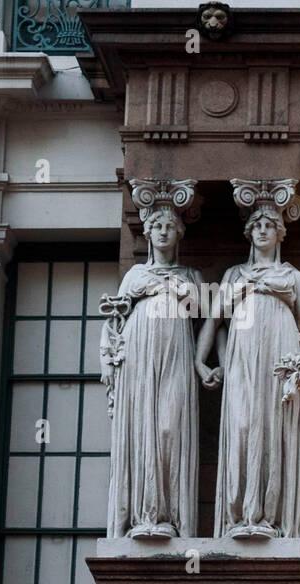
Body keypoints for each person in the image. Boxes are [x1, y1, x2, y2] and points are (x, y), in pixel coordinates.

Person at [196, 203, 300, 538]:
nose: (263, 230)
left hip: (279, 356)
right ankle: (239, 515)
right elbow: (214, 320)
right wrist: (200, 361)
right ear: (249, 233)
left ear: (280, 233)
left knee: (271, 427)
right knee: (242, 424)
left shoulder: (291, 276)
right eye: (257, 225)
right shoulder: (235, 275)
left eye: (269, 225)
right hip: (242, 357)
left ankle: (267, 516)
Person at [102, 203, 202, 538]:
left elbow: (206, 313)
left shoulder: (190, 276)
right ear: (146, 232)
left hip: (176, 354)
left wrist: (203, 361)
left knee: (168, 429)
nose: (162, 231)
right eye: (156, 225)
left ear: (180, 233)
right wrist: (108, 357)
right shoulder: (134, 276)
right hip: (139, 354)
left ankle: (170, 516)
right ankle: (142, 517)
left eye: (170, 226)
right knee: (142, 429)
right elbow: (114, 320)